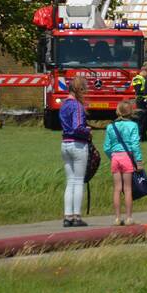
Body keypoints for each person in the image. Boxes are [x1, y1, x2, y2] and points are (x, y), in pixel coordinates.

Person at [103, 100, 143, 225]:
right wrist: (138, 160)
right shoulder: (133, 125)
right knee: (127, 189)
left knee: (117, 189)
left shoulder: (111, 126)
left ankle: (117, 218)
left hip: (115, 158)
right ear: (131, 112)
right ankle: (129, 217)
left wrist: (112, 157)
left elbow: (106, 147)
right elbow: (135, 145)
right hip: (127, 157)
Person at [60, 76, 91, 227]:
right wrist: (88, 131)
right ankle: (77, 216)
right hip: (78, 144)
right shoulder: (77, 106)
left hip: (65, 143)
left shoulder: (64, 105)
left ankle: (67, 216)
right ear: (80, 89)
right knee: (78, 181)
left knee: (70, 181)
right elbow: (77, 127)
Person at [132, 65, 147, 140]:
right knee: (141, 119)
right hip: (141, 101)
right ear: (143, 71)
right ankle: (139, 136)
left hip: (146, 101)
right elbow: (138, 90)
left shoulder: (144, 78)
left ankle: (144, 137)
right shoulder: (137, 78)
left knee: (145, 120)